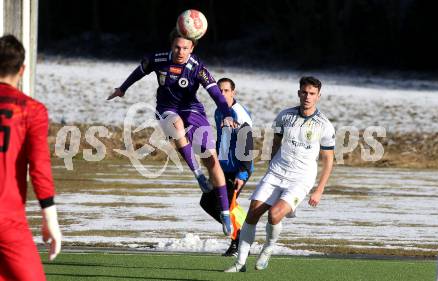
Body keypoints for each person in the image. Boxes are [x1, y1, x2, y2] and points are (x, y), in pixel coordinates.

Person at [107, 29, 234, 235]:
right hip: (167, 108)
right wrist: (122, 88)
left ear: (192, 48)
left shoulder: (197, 68)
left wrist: (226, 113)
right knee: (175, 126)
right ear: (171, 46)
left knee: (211, 159)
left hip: (193, 110)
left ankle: (226, 213)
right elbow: (139, 71)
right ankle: (198, 175)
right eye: (177, 47)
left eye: (185, 48)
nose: (180, 51)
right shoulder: (158, 59)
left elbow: (216, 94)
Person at [225, 76, 335, 272]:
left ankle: (268, 248)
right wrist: (270, 167)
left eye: (312, 94)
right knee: (252, 213)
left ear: (318, 96)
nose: (307, 97)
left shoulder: (324, 125)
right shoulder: (284, 116)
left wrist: (319, 189)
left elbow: (328, 160)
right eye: (304, 92)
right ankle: (240, 263)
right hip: (276, 172)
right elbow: (275, 143)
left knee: (274, 216)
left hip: (301, 178)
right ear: (299, 93)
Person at [0, 34, 62, 281]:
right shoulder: (31, 110)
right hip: (7, 218)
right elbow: (39, 167)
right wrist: (50, 218)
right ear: (22, 69)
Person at [200, 78, 253, 257]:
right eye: (219, 91)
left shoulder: (239, 113)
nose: (222, 94)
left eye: (225, 91)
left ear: (233, 92)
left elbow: (246, 142)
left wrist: (243, 172)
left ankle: (238, 240)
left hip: (238, 169)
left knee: (227, 206)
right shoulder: (218, 111)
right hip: (222, 168)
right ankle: (240, 231)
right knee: (207, 202)